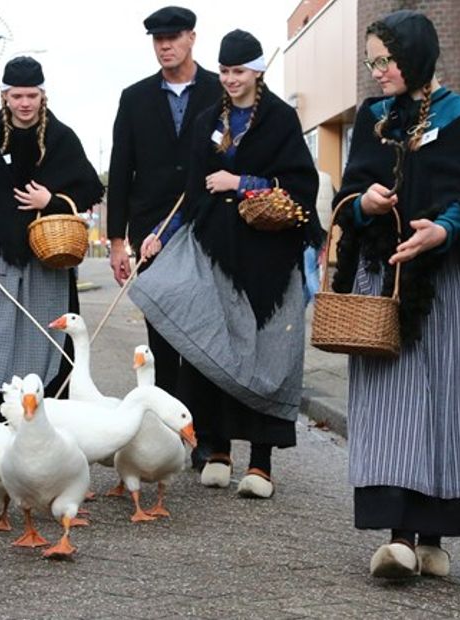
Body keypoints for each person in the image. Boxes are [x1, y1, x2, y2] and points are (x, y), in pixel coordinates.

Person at [331, 11, 460, 578]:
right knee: (390, 404)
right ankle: (399, 535)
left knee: (446, 402)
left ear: (415, 56)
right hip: (384, 279)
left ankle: (435, 535)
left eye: (385, 59)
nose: (378, 71)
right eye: (372, 61)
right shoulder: (373, 116)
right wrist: (364, 203)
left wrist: (443, 229)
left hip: (447, 284)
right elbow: (351, 187)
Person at [131, 30, 319, 500]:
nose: (232, 80)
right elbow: (192, 193)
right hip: (215, 248)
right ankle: (216, 449)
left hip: (269, 256)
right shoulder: (205, 121)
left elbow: (301, 182)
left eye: (240, 72)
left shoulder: (280, 118)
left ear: (257, 71)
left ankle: (261, 461)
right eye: (226, 72)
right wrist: (161, 237)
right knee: (210, 346)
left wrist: (241, 181)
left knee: (264, 352)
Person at [0, 56, 103, 419]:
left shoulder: (60, 137)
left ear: (42, 94)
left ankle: (44, 414)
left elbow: (89, 187)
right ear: (5, 96)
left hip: (46, 257)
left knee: (45, 341)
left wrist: (50, 202)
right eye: (17, 96)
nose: (24, 103)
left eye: (31, 95)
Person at [107, 6, 221, 410]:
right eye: (158, 39)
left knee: (204, 330)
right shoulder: (134, 98)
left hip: (208, 226)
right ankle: (170, 426)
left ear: (192, 37)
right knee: (163, 332)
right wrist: (118, 241)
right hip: (151, 231)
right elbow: (120, 170)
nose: (165, 46)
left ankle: (204, 429)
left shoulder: (219, 90)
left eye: (173, 37)